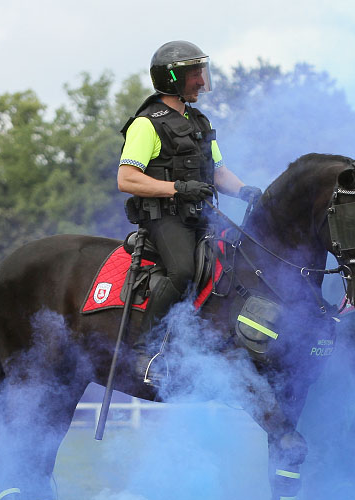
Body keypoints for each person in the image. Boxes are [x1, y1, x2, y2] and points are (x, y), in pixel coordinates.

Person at [118, 40, 261, 384]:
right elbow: (127, 178)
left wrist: (244, 191)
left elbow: (218, 171)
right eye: (194, 73)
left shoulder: (199, 120)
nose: (201, 80)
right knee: (181, 270)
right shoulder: (146, 124)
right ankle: (144, 351)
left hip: (202, 217)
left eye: (201, 72)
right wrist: (177, 188)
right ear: (173, 78)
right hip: (164, 219)